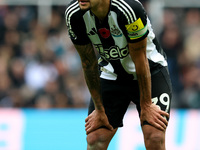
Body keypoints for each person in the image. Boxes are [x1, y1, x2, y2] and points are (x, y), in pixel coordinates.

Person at [65, 0, 172, 149]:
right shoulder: (74, 14)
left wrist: (146, 104)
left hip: (150, 71)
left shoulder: (129, 8)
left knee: (154, 136)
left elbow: (140, 60)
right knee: (95, 138)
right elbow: (88, 63)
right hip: (111, 75)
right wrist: (99, 109)